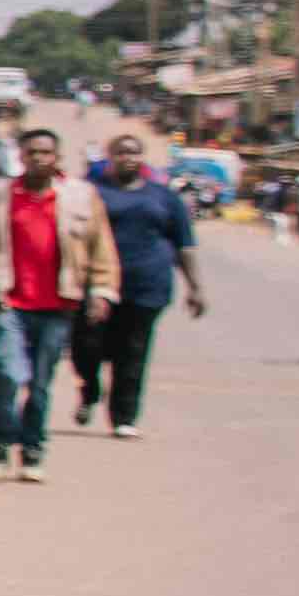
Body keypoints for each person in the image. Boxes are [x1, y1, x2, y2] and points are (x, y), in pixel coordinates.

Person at [0, 125, 112, 474]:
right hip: (11, 304)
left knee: (39, 384)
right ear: (21, 156)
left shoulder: (80, 197)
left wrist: (100, 291)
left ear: (57, 157)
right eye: (32, 152)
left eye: (45, 153)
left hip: (58, 307)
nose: (38, 159)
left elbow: (101, 249)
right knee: (8, 376)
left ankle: (33, 452)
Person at [79, 135, 203, 432]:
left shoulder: (164, 198)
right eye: (121, 153)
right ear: (110, 157)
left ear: (143, 157)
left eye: (134, 152)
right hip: (98, 285)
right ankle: (91, 390)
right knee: (88, 346)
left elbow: (184, 244)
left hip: (148, 285)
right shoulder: (92, 194)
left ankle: (124, 417)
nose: (128, 158)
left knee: (133, 351)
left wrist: (195, 287)